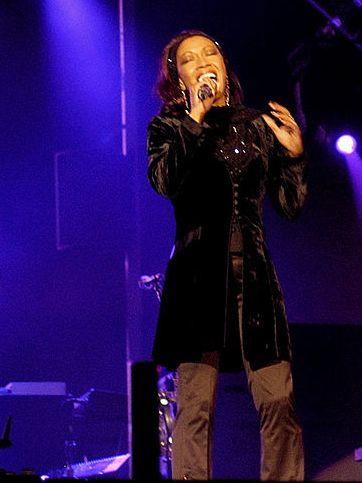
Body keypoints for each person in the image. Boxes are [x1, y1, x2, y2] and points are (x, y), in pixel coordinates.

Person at [146, 29, 307, 480]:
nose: (202, 62)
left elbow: (290, 207)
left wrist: (293, 156)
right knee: (195, 405)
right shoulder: (168, 128)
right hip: (197, 280)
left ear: (223, 64)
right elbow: (165, 183)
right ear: (178, 79)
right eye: (188, 59)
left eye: (209, 53)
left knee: (278, 399)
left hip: (254, 277)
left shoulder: (257, 125)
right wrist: (194, 121)